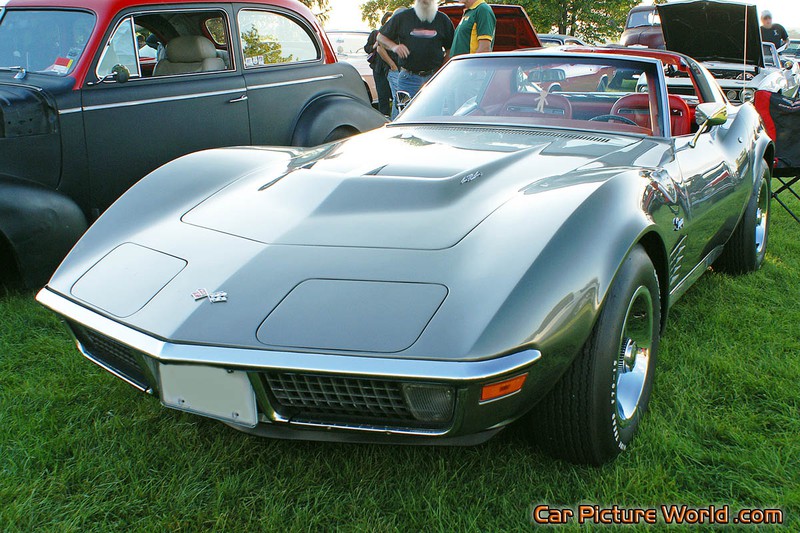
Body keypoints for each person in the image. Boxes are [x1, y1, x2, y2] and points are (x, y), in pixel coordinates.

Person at [378, 0, 455, 105]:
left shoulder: (443, 20)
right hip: (408, 79)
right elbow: (380, 37)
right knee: (404, 116)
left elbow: (450, 49)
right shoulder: (403, 17)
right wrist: (394, 47)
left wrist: (440, 71)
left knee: (433, 115)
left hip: (434, 79)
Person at [365, 12, 395, 116]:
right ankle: (384, 115)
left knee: (394, 93)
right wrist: (375, 45)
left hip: (391, 67)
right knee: (382, 93)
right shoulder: (375, 34)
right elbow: (367, 48)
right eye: (387, 21)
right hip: (378, 68)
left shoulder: (395, 35)